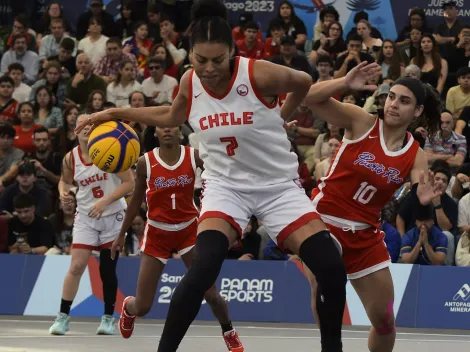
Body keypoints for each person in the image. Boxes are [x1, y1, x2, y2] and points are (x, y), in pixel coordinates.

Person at [76, 0, 348, 351]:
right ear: (190, 55)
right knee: (202, 270)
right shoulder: (190, 80)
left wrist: (281, 114)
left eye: (217, 61)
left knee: (330, 268)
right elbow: (173, 115)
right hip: (225, 186)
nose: (208, 69)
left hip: (278, 186)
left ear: (232, 51)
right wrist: (114, 112)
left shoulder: (258, 73)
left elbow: (304, 80)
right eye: (199, 60)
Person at [303, 63, 442, 352]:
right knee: (326, 288)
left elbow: (420, 198)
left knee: (385, 319)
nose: (393, 104)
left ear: (417, 112)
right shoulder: (361, 120)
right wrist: (343, 82)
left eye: (404, 101)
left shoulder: (414, 154)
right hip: (321, 221)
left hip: (365, 234)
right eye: (391, 96)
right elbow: (310, 98)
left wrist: (425, 203)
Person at [113, 126, 243, 350]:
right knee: (143, 306)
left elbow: (222, 172)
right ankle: (128, 308)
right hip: (157, 233)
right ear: (155, 132)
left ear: (179, 130)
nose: (167, 130)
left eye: (171, 126)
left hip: (189, 232)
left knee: (211, 293)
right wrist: (121, 233)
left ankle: (228, 330)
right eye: (162, 127)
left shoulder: (193, 155)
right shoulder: (146, 162)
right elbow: (135, 200)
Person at [49, 114, 134, 336]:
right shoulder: (70, 158)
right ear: (75, 131)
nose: (86, 128)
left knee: (107, 270)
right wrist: (63, 194)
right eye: (82, 125)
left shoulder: (111, 149)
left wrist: (105, 201)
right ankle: (63, 317)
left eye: (90, 124)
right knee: (76, 266)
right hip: (86, 216)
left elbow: (130, 183)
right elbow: (64, 181)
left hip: (113, 216)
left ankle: (107, 318)